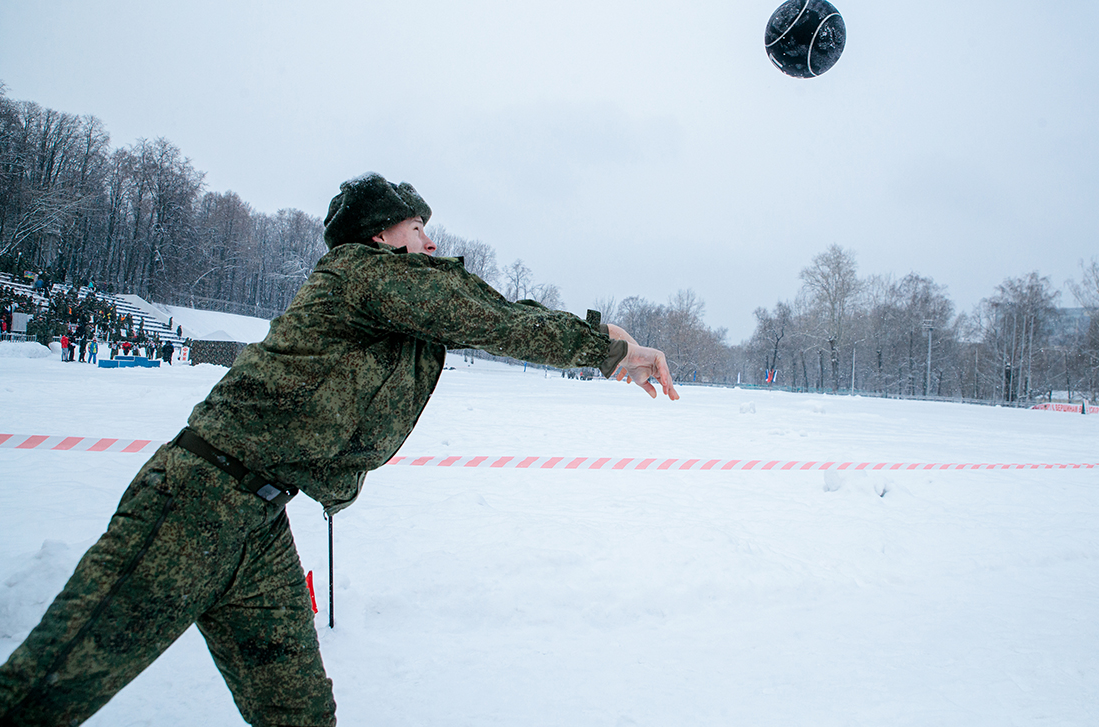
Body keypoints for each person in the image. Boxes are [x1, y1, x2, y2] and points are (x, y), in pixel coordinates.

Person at [0, 173, 679, 726]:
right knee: (48, 689)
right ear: (381, 233)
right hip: (193, 503)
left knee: (298, 712)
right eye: (419, 228)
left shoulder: (396, 303)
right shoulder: (360, 273)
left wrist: (606, 340)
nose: (432, 242)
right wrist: (606, 349)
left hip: (258, 525)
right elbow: (483, 314)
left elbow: (489, 310)